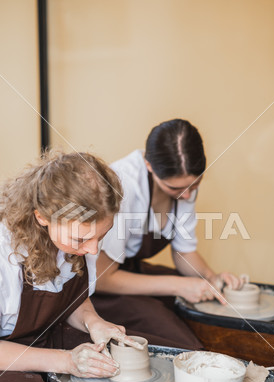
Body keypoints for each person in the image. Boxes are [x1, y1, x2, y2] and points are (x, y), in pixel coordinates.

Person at [0, 151, 142, 382]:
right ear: (41, 216)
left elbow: (72, 300)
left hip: (48, 339)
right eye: (81, 240)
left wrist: (95, 322)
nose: (93, 251)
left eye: (100, 238)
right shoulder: (4, 254)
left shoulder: (77, 241)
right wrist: (67, 361)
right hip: (7, 362)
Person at [93, 119, 243, 350]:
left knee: (201, 314)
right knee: (187, 346)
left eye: (194, 185)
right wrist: (179, 285)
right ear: (149, 165)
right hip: (97, 290)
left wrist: (211, 279)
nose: (186, 196)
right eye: (175, 189)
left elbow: (184, 251)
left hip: (132, 272)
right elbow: (102, 279)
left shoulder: (185, 183)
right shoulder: (122, 185)